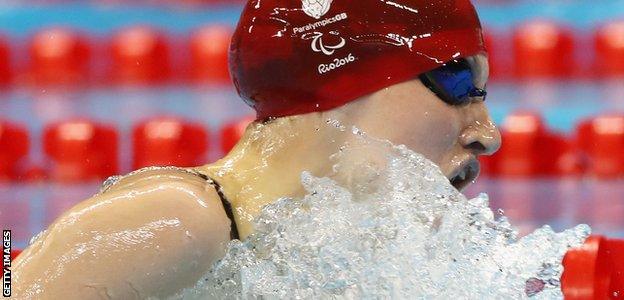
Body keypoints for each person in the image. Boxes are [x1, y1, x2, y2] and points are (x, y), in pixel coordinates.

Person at [13, 0, 502, 298]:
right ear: (343, 83)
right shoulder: (179, 220)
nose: (487, 134)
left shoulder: (339, 253)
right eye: (456, 80)